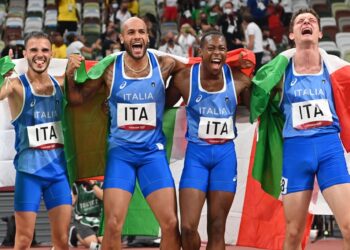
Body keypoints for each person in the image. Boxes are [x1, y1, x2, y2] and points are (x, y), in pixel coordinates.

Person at [65, 17, 188, 250]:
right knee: (112, 224)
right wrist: (71, 76)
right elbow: (77, 99)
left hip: (153, 154)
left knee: (171, 223)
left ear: (148, 37)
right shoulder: (110, 68)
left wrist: (170, 98)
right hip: (121, 155)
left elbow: (189, 70)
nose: (137, 36)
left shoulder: (165, 64)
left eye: (141, 32)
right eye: (131, 32)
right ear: (122, 38)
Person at [251, 8, 350, 249]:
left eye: (311, 21)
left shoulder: (336, 69)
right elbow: (256, 95)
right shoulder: (280, 72)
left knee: (349, 225)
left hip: (330, 150)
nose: (306, 23)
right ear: (292, 35)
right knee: (294, 232)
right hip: (296, 153)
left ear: (318, 33)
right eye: (300, 21)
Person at [166, 30, 252, 250]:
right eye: (211, 48)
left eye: (222, 48)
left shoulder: (240, 80)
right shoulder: (184, 78)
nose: (216, 53)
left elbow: (256, 108)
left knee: (217, 227)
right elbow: (160, 103)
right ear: (200, 52)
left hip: (224, 158)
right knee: (187, 227)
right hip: (197, 157)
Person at [0, 31, 72, 249]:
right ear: (25, 54)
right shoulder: (15, 86)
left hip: (58, 175)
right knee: (22, 240)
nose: (39, 55)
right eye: (34, 50)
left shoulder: (62, 84)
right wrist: (1, 73)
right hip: (29, 174)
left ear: (51, 54)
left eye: (44, 50)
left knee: (61, 241)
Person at [69, 180, 103, 249]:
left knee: (106, 244)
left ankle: (76, 233)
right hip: (82, 220)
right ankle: (76, 233)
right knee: (95, 247)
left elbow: (103, 197)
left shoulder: (100, 184)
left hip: (98, 219)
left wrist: (93, 185)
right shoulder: (76, 186)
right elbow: (72, 202)